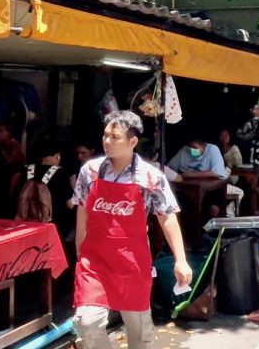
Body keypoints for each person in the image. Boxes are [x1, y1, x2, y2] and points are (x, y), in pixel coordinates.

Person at [72, 111, 191, 349]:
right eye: (105, 135)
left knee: (138, 327)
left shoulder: (150, 176)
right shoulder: (90, 172)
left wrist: (181, 259)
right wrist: (80, 251)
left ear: (133, 141)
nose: (107, 141)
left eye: (115, 137)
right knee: (86, 322)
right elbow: (82, 211)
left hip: (132, 261)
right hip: (94, 260)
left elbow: (166, 216)